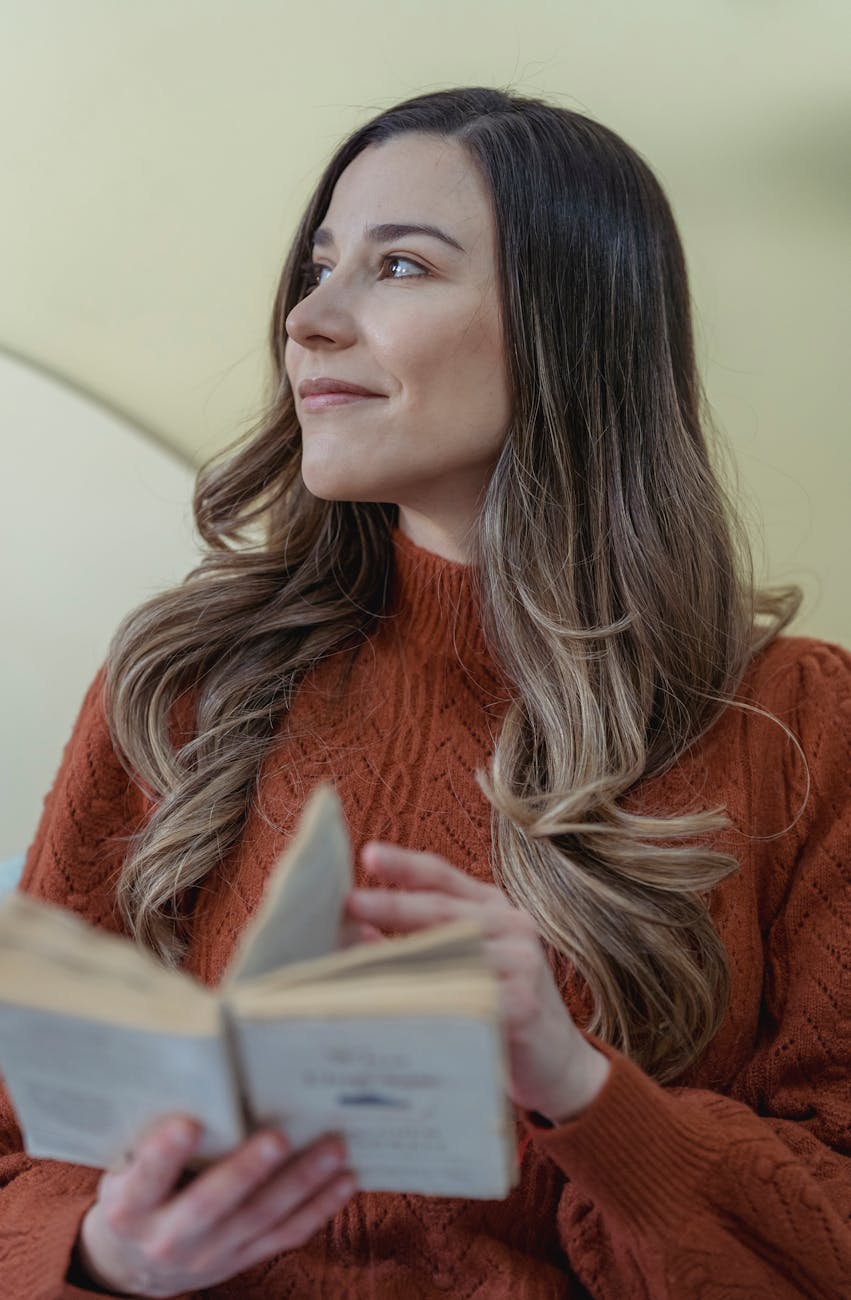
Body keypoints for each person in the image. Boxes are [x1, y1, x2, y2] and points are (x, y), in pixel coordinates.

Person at [2, 85, 848, 1298]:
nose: (307, 319)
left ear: (572, 325)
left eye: (397, 266)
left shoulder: (802, 724)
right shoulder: (180, 686)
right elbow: (13, 1150)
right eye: (317, 266)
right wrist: (103, 1251)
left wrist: (573, 1081)